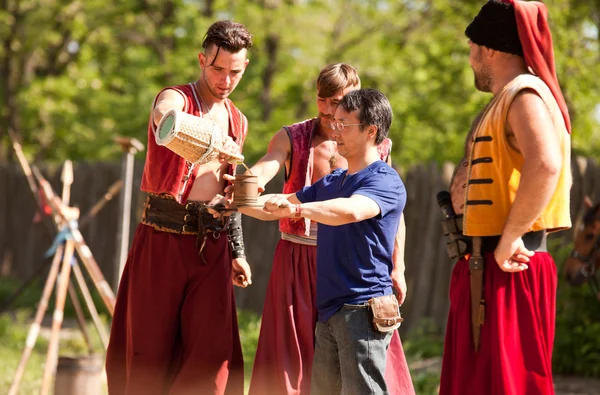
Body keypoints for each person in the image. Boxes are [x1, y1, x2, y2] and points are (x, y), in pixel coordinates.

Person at [242, 64, 414, 395]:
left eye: (342, 117)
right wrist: (239, 198)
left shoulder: (382, 174)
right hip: (316, 285)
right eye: (324, 103)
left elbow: (354, 211)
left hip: (360, 295)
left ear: (369, 129)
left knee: (363, 384)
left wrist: (399, 265)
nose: (333, 123)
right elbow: (276, 192)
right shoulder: (325, 169)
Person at [105, 20, 253, 395]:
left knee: (210, 359)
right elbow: (163, 116)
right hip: (162, 239)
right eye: (217, 69)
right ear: (202, 60)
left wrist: (238, 251)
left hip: (211, 245)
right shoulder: (176, 98)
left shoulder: (238, 120)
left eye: (234, 71)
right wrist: (195, 132)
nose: (225, 79)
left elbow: (228, 188)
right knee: (148, 354)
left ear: (245, 67)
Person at [440, 1, 572, 394]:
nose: (470, 59)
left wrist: (511, 237)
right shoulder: (510, 96)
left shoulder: (524, 93)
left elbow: (545, 163)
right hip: (487, 264)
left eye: (472, 48)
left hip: (508, 265)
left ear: (491, 48)